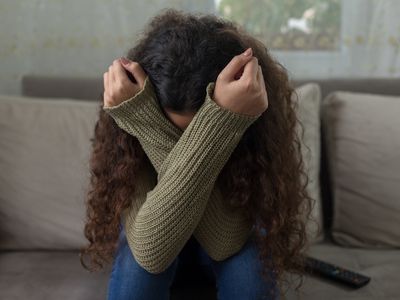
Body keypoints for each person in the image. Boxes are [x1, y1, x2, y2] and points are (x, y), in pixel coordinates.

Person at [79, 8, 313, 300]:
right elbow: (152, 251)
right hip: (155, 234)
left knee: (249, 273)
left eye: (198, 130)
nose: (184, 139)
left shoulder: (252, 115)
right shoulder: (130, 120)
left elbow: (224, 243)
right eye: (168, 128)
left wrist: (223, 123)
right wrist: (142, 120)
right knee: (138, 264)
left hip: (225, 239)